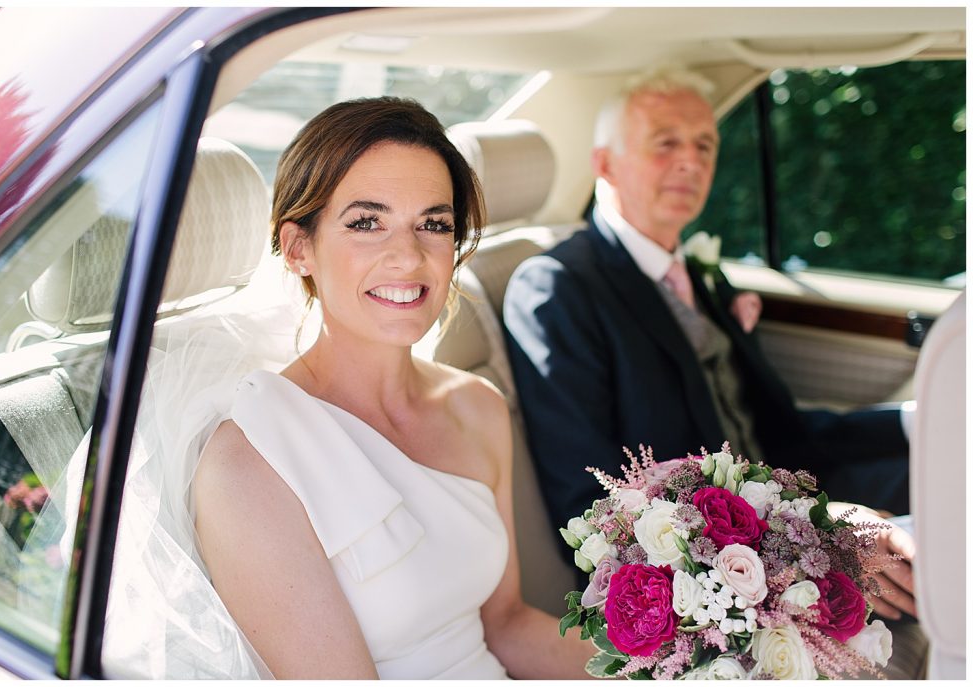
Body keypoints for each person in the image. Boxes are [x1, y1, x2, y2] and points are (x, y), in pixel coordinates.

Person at [192, 96, 595, 679]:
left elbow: (503, 625)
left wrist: (667, 669)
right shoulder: (250, 464)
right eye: (366, 223)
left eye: (433, 224)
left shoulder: (477, 407)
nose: (408, 257)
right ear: (299, 247)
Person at [502, 68, 918, 627]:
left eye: (704, 144)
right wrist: (825, 535)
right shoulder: (557, 287)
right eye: (665, 142)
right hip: (719, 565)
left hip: (796, 491)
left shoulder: (698, 276)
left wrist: (920, 422)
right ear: (604, 164)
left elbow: (781, 432)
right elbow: (595, 505)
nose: (691, 161)